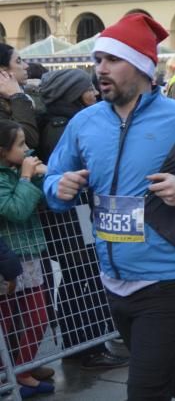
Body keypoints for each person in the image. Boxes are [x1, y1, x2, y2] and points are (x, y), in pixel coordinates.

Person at [42, 13, 175, 401]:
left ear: (140, 65)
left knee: (145, 388)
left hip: (170, 280)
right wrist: (60, 186)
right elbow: (53, 178)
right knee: (171, 371)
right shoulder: (84, 122)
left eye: (111, 60)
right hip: (114, 280)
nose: (100, 69)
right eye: (97, 60)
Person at [36, 69, 128, 371]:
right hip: (72, 221)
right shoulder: (63, 125)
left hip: (77, 219)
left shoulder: (66, 121)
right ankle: (84, 347)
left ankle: (85, 345)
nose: (95, 92)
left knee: (82, 278)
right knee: (82, 278)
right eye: (88, 88)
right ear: (75, 94)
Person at [0, 120, 55, 398]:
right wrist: (24, 178)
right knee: (5, 321)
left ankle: (22, 370)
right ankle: (5, 377)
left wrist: (45, 175)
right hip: (7, 261)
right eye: (20, 144)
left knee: (38, 315)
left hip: (31, 254)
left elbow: (48, 198)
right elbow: (16, 210)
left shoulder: (18, 169)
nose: (27, 148)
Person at [0, 44, 39, 149]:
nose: (26, 65)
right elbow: (29, 140)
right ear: (3, 71)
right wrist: (18, 96)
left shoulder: (28, 96)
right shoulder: (18, 98)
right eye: (18, 61)